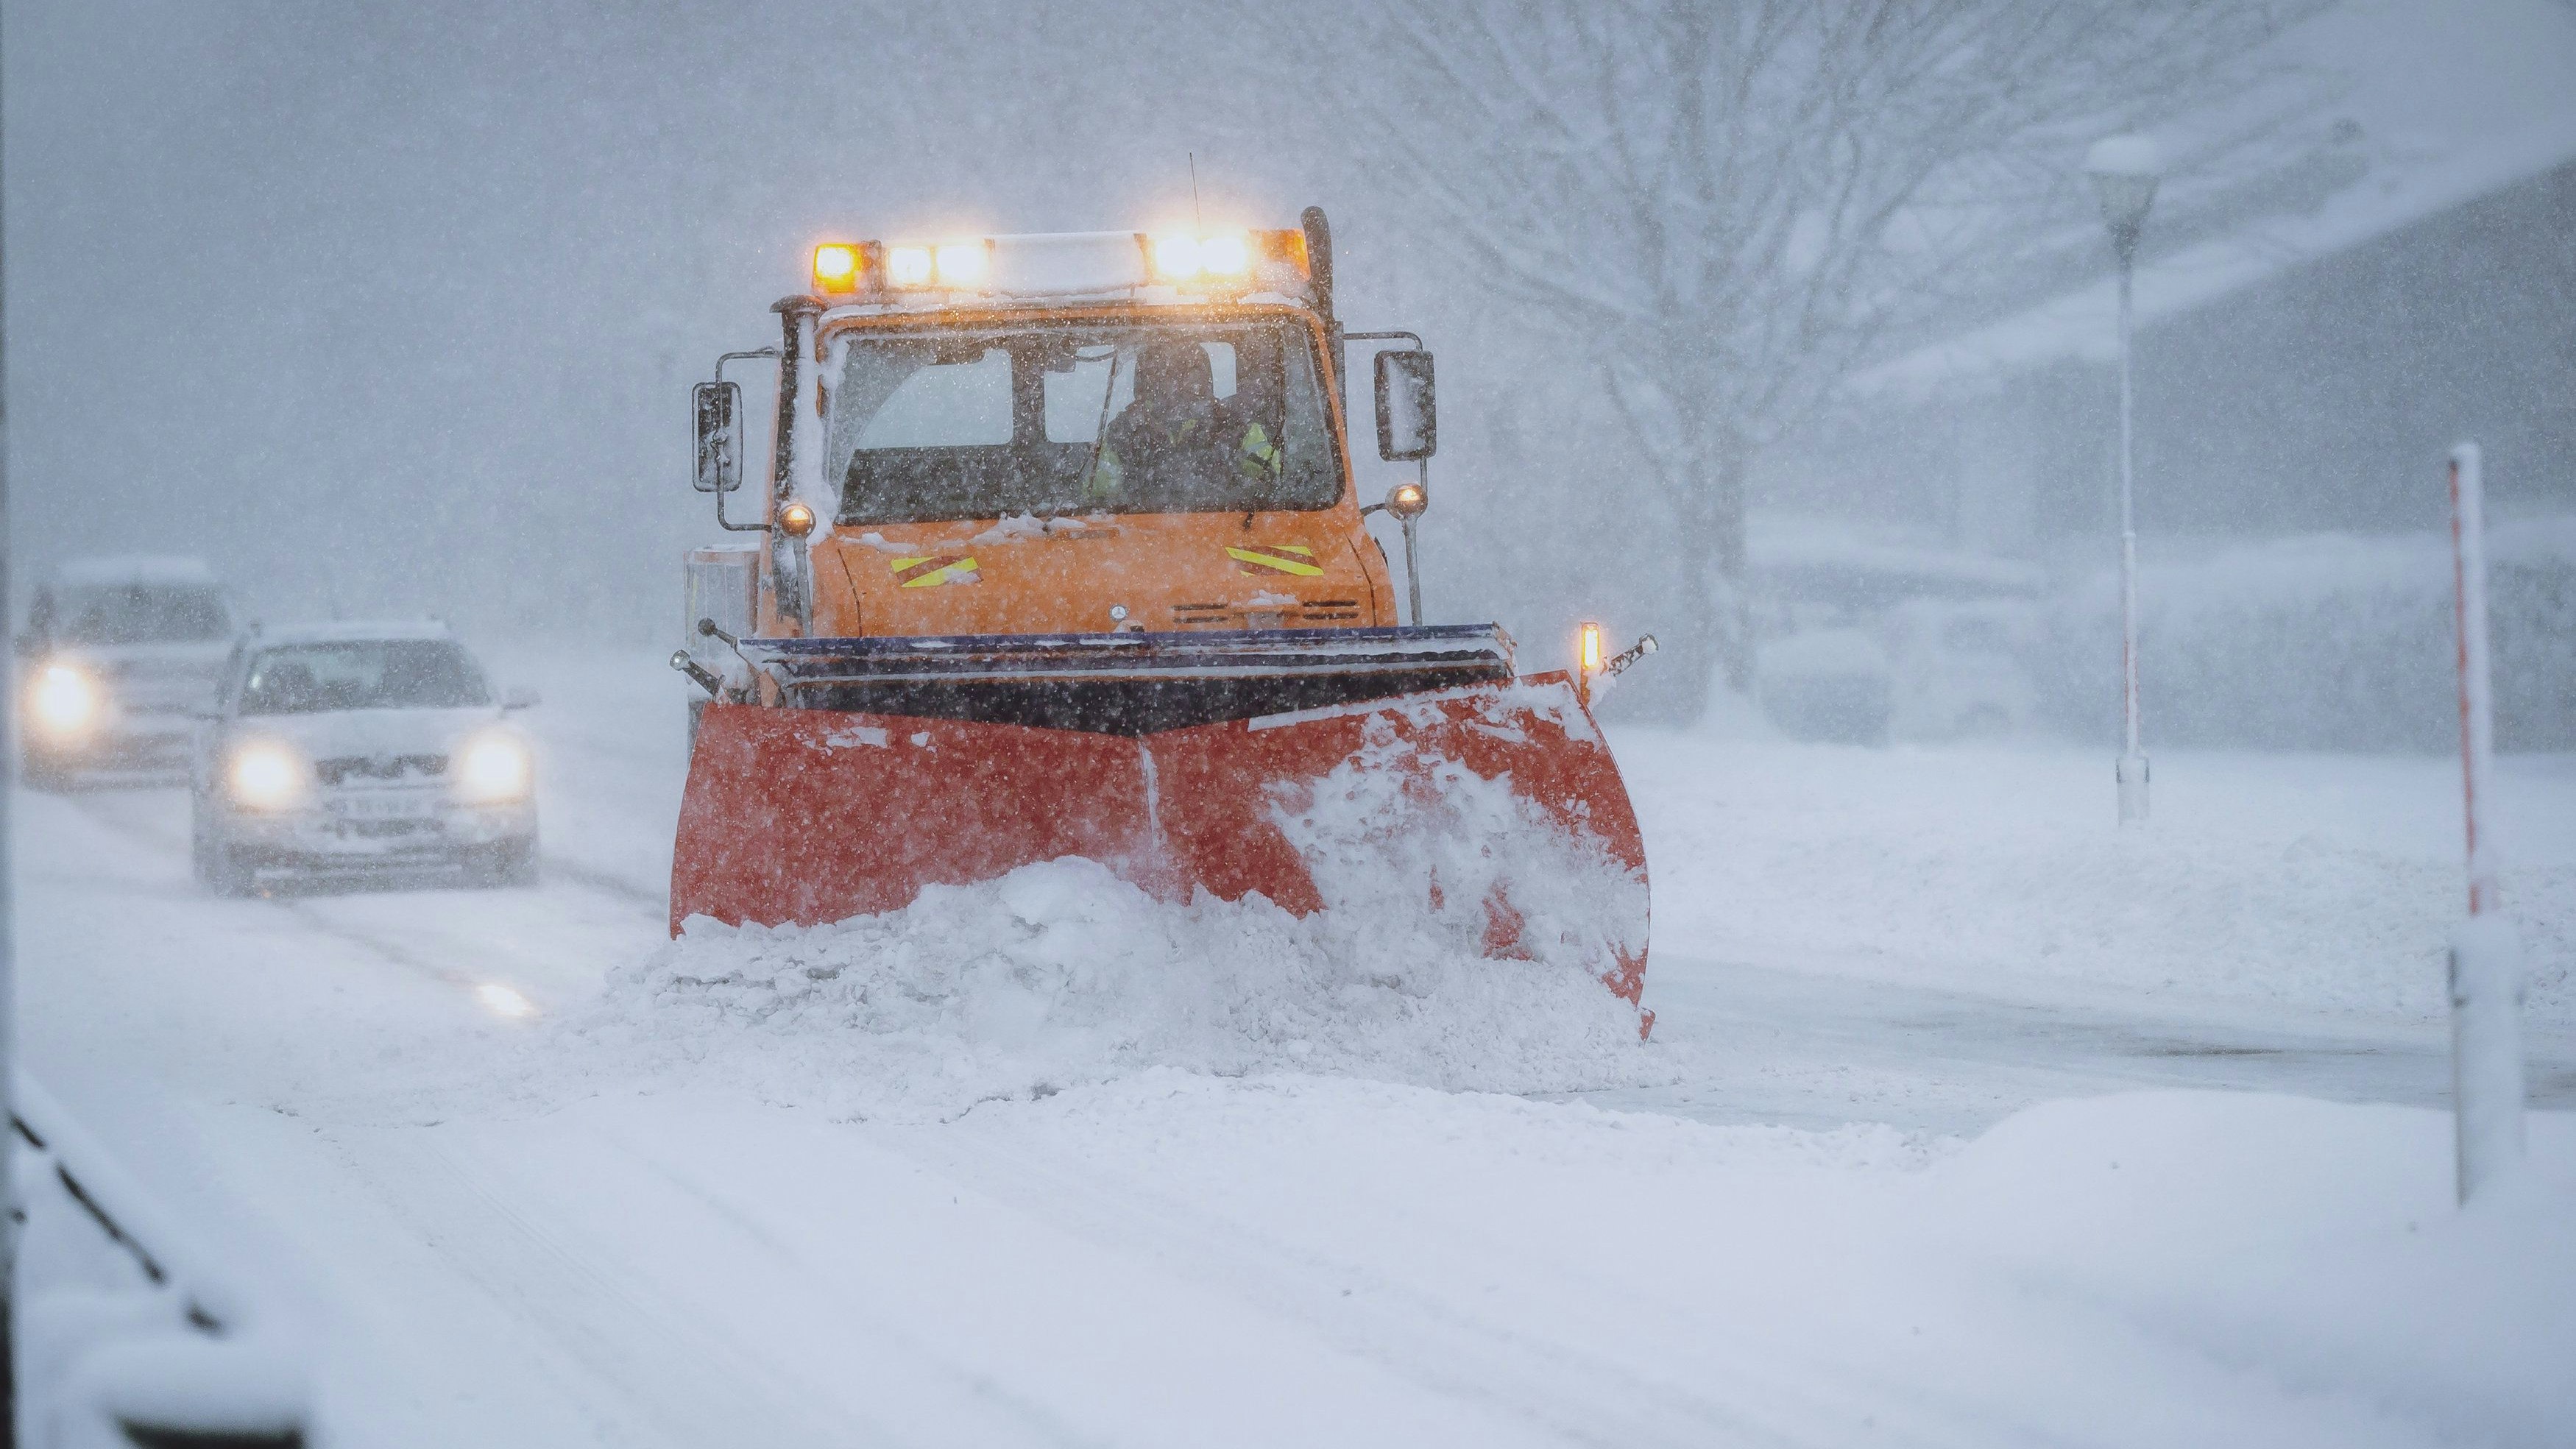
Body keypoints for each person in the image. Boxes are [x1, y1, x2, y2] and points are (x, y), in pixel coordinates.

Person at [1086, 338, 1282, 504]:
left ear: (1207, 380)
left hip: (1228, 531)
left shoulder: (1235, 426)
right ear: (1145, 383)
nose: (1178, 383)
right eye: (1165, 374)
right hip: (1137, 538)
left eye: (1190, 372)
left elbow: (1278, 488)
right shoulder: (1122, 431)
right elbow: (1096, 504)